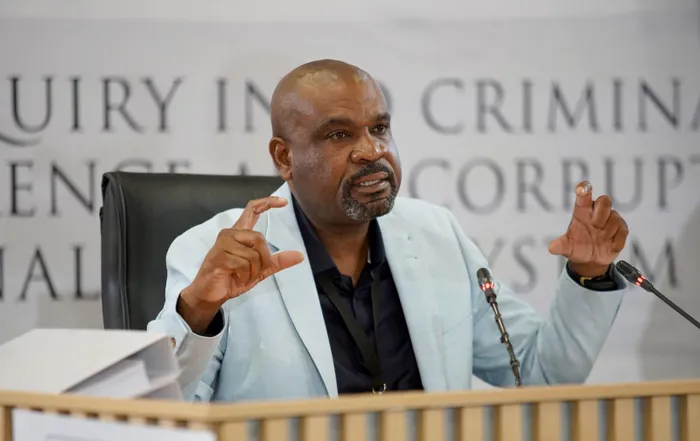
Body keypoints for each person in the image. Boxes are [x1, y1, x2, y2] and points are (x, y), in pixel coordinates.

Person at [147, 59, 629, 402]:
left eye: (379, 128)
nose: (372, 150)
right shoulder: (214, 253)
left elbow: (539, 376)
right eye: (339, 135)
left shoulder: (436, 236)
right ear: (284, 156)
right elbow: (161, 414)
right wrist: (199, 310)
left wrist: (588, 274)